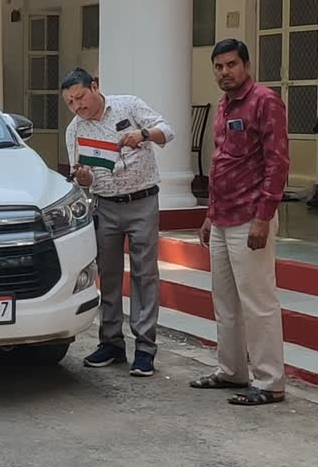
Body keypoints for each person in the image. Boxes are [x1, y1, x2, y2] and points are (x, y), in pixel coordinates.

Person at [191, 39, 289, 406]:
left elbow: (277, 162)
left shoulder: (265, 101)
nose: (224, 72)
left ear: (245, 65)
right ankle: (232, 371)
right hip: (221, 217)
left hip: (251, 217)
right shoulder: (223, 105)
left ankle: (270, 382)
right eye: (218, 67)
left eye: (231, 65)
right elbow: (222, 163)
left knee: (258, 301)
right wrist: (209, 215)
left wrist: (264, 217)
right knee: (226, 301)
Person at [61, 68, 175, 377]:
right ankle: (110, 343)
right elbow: (80, 173)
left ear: (95, 87)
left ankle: (145, 348)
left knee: (144, 274)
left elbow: (167, 130)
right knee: (108, 276)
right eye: (70, 102)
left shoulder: (128, 106)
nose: (78, 107)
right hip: (106, 205)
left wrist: (143, 134)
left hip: (142, 201)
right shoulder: (74, 130)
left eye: (81, 97)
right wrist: (83, 177)